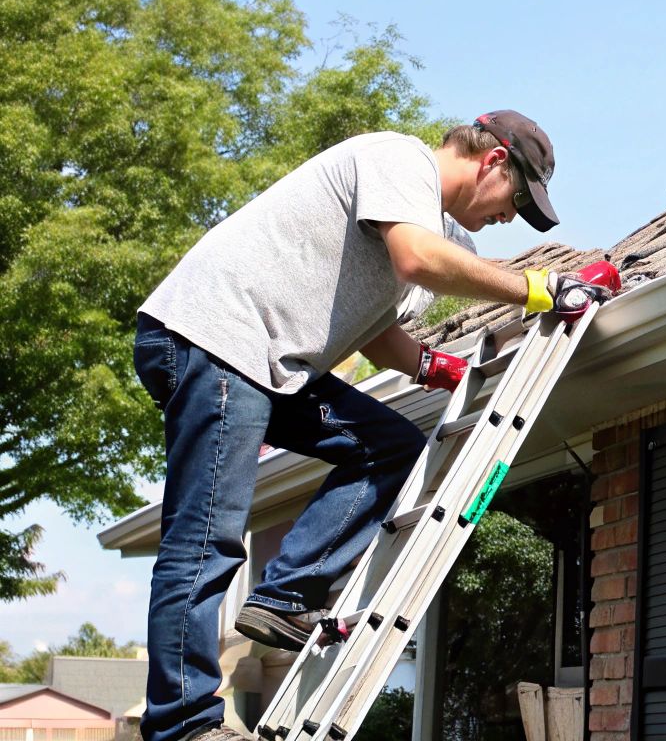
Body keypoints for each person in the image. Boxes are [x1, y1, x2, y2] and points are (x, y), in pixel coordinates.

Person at [131, 111, 614, 741]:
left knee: (391, 448)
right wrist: (541, 289)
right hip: (215, 338)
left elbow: (380, 334)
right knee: (206, 541)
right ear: (494, 161)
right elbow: (418, 260)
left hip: (273, 364)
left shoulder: (435, 230)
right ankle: (183, 725)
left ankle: (281, 597)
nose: (509, 219)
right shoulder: (397, 160)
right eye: (516, 201)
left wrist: (436, 368)